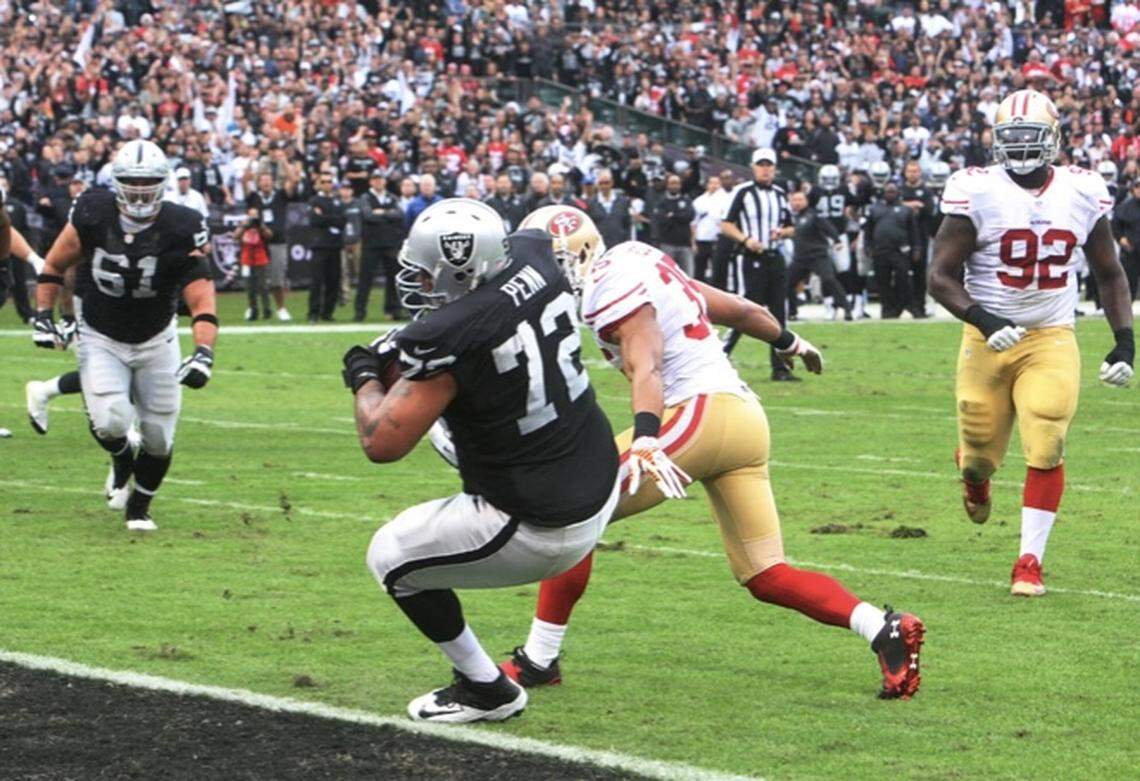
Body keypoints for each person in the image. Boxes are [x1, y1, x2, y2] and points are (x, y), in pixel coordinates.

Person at [499, 205, 926, 701]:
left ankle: (538, 660)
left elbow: (648, 368)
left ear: (578, 256)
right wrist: (790, 341)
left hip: (696, 414)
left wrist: (645, 436)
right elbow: (740, 310)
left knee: (573, 507)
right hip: (743, 418)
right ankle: (883, 628)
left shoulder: (605, 291)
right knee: (766, 574)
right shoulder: (638, 257)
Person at [342, 198, 620, 723]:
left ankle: (485, 687)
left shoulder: (448, 336)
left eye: (427, 274)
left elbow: (381, 443)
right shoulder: (536, 255)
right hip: (599, 476)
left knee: (390, 557)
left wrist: (363, 374)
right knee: (454, 427)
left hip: (540, 523)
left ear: (459, 270)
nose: (417, 282)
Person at [929, 90, 1135, 597]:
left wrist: (1124, 342)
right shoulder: (975, 190)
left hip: (1051, 334)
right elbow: (938, 275)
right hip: (986, 338)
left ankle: (1029, 561)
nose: (1020, 149)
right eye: (1011, 139)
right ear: (996, 141)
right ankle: (974, 476)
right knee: (980, 453)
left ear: (1054, 138)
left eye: (1031, 138)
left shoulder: (1083, 189)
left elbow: (1110, 273)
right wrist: (981, 315)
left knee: (1047, 437)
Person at [31, 140, 217, 532]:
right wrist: (42, 314)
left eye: (146, 182)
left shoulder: (183, 225)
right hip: (101, 332)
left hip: (157, 335)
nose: (138, 189)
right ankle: (120, 461)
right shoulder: (92, 211)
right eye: (131, 181)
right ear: (115, 182)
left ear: (162, 183)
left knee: (158, 436)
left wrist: (203, 352)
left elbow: (202, 296)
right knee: (113, 421)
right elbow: (55, 262)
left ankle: (139, 508)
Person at [718, 148, 796, 379]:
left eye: (769, 165)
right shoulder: (742, 192)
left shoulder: (780, 194)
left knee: (779, 314)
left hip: (775, 257)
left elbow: (792, 227)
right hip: (750, 258)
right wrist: (746, 239)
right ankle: (719, 356)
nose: (765, 169)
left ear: (774, 168)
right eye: (761, 164)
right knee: (743, 311)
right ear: (753, 167)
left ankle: (780, 368)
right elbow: (726, 224)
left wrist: (781, 233)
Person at [786, 191, 852, 321]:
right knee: (787, 283)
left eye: (800, 200)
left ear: (806, 201)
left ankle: (847, 307)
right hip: (800, 258)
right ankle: (792, 312)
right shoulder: (793, 217)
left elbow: (828, 227)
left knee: (829, 279)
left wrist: (837, 240)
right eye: (794, 200)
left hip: (817, 255)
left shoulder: (813, 215)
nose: (797, 203)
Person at [246, 171, 297, 322]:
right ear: (259, 183)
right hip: (258, 243)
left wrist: (284, 163)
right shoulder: (254, 197)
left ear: (273, 182)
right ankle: (253, 308)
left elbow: (292, 180)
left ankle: (281, 308)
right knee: (254, 279)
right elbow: (244, 181)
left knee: (277, 278)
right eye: (263, 180)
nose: (266, 183)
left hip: (277, 241)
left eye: (269, 180)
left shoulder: (280, 195)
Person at [866, 182, 921, 319]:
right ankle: (887, 309)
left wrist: (916, 248)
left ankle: (910, 306)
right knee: (882, 282)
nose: (890, 194)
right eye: (888, 191)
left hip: (900, 251)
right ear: (883, 193)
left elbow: (913, 232)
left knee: (904, 280)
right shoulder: (874, 209)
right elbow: (868, 231)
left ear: (897, 193)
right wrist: (868, 247)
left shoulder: (905, 210)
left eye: (893, 191)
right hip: (880, 251)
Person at [357, 170, 405, 321]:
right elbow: (368, 216)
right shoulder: (365, 198)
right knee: (365, 279)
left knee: (393, 279)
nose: (378, 182)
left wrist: (381, 213)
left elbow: (399, 214)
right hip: (371, 244)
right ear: (371, 181)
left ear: (384, 181)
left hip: (390, 244)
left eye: (380, 179)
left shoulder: (392, 197)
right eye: (375, 179)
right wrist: (387, 214)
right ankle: (360, 311)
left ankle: (393, 310)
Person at [307, 172, 345, 322]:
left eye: (329, 181)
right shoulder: (314, 200)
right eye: (324, 182)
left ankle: (328, 312)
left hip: (335, 245)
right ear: (319, 184)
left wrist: (326, 218)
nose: (327, 184)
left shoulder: (337, 201)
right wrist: (332, 219)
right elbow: (314, 220)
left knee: (333, 281)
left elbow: (342, 221)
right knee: (317, 281)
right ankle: (313, 312)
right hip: (320, 245)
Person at [899, 161, 935, 317]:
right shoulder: (900, 190)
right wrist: (912, 204)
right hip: (902, 236)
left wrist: (905, 206)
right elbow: (893, 205)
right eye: (909, 171)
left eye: (915, 171)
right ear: (905, 172)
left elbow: (929, 209)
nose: (912, 174)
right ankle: (902, 304)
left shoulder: (926, 191)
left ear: (920, 172)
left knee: (920, 273)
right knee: (901, 273)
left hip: (920, 237)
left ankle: (920, 307)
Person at [653, 173, 696, 276]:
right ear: (667, 185)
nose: (674, 186)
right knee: (667, 276)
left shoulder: (686, 201)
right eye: (672, 183)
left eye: (677, 183)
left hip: (685, 245)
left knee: (688, 277)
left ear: (680, 185)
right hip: (667, 244)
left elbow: (690, 216)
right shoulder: (661, 202)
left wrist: (673, 215)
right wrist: (680, 216)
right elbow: (662, 220)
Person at [237, 207, 271, 321]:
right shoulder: (244, 225)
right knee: (249, 287)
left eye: (255, 215)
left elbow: (269, 235)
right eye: (251, 215)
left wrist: (261, 226)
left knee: (263, 286)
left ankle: (267, 310)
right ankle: (253, 310)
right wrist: (243, 226)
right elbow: (235, 236)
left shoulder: (261, 225)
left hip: (260, 258)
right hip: (246, 259)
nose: (253, 218)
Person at [691, 175, 726, 283]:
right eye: (711, 183)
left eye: (716, 183)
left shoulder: (726, 199)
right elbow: (693, 223)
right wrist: (693, 242)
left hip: (718, 239)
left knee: (718, 270)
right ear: (707, 185)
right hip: (701, 239)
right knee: (699, 270)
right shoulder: (699, 201)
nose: (714, 186)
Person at [586, 168, 632, 250]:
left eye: (606, 183)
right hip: (599, 248)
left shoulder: (623, 202)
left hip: (619, 246)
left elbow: (627, 224)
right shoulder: (591, 203)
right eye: (601, 183)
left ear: (612, 183)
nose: (604, 186)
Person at [339, 182, 363, 307]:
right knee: (343, 271)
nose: (346, 191)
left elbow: (363, 222)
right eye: (343, 189)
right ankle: (344, 296)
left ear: (352, 191)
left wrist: (359, 238)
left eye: (348, 189)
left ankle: (361, 297)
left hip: (357, 241)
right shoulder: (337, 204)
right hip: (341, 242)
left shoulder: (358, 204)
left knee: (359, 270)